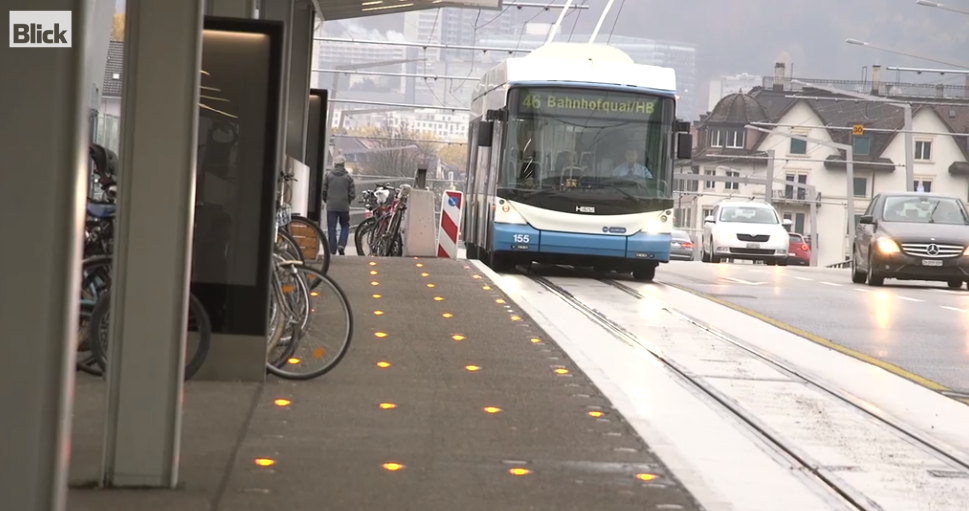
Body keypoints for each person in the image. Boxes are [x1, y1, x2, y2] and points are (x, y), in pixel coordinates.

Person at [321, 155, 356, 255]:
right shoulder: (348, 177)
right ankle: (341, 245)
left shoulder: (328, 176)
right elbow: (352, 194)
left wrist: (327, 201)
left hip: (331, 206)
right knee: (345, 225)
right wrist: (347, 201)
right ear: (343, 164)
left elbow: (324, 191)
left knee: (331, 228)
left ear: (335, 164)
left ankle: (332, 250)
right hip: (344, 206)